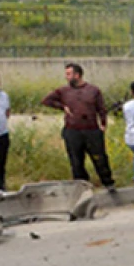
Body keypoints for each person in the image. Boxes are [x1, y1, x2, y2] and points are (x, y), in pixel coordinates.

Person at [42, 63, 116, 192]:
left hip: (91, 130)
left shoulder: (93, 90)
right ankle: (82, 186)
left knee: (99, 158)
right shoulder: (63, 91)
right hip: (73, 130)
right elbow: (46, 100)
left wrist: (103, 125)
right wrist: (62, 106)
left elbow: (101, 109)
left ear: (77, 75)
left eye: (69, 74)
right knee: (76, 161)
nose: (67, 77)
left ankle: (108, 183)